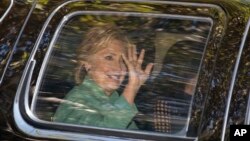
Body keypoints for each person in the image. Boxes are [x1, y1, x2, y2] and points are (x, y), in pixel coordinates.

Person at [53, 25, 153, 129]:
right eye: (109, 58)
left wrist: (135, 87)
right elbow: (105, 133)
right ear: (88, 64)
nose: (118, 68)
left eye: (123, 61)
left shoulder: (114, 98)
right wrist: (131, 88)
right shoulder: (77, 101)